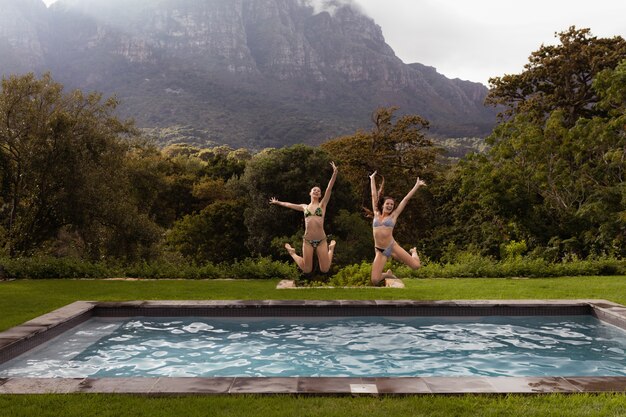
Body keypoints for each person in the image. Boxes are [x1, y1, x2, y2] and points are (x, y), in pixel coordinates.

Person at [269, 162, 338, 273]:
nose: (316, 191)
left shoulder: (322, 205)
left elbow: (329, 188)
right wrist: (278, 202)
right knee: (306, 269)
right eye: (314, 190)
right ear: (310, 193)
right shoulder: (304, 207)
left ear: (320, 195)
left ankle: (331, 249)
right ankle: (292, 253)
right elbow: (290, 205)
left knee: (325, 269)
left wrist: (334, 173)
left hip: (321, 240)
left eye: (318, 191)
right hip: (307, 240)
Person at [369, 171, 425, 285]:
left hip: (391, 246)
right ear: (383, 205)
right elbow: (374, 195)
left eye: (392, 205)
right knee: (375, 280)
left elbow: (405, 199)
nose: (390, 206)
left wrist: (417, 185)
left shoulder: (393, 216)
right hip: (380, 250)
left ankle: (413, 252)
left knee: (416, 266)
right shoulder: (376, 213)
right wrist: (372, 179)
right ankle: (388, 274)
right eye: (388, 204)